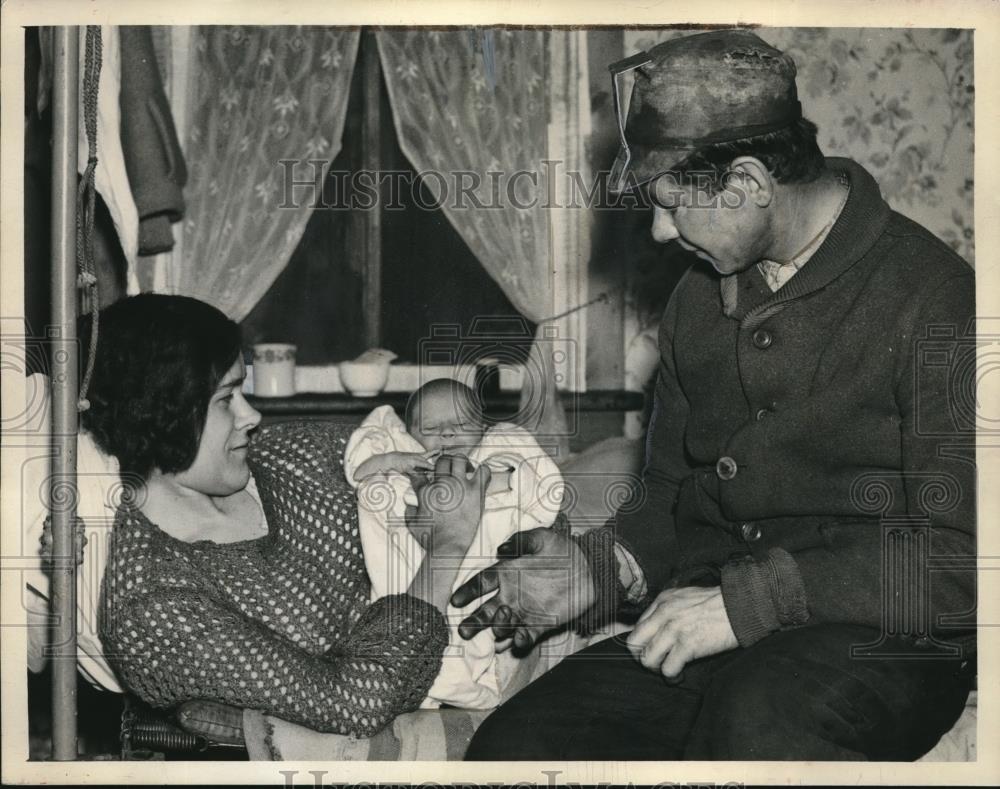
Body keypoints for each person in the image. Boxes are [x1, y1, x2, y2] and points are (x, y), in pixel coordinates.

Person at [452, 29, 976, 760]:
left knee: (755, 722)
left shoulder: (939, 301)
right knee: (516, 745)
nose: (662, 233)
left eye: (673, 205)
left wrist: (747, 604)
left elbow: (963, 559)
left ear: (752, 183)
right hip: (713, 621)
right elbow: (674, 489)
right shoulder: (697, 303)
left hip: (879, 637)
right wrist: (599, 568)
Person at [86, 294, 491, 737]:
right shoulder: (154, 606)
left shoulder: (294, 455)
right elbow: (356, 706)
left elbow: (476, 472)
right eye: (226, 399)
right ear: (159, 412)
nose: (252, 415)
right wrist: (446, 549)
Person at [344, 379, 564, 710]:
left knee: (468, 618)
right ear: (410, 431)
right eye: (431, 427)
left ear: (484, 427)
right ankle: (418, 671)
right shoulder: (406, 454)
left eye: (460, 425)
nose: (447, 434)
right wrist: (395, 460)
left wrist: (490, 482)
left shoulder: (498, 449)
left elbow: (541, 484)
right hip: (413, 557)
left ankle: (459, 679)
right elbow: (360, 472)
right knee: (398, 601)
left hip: (478, 557)